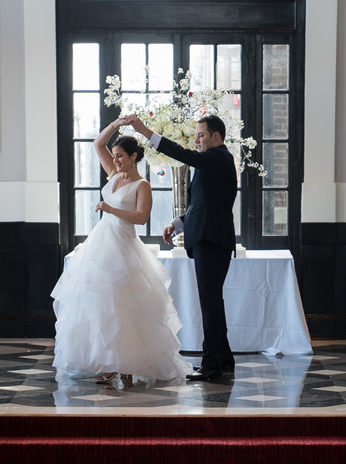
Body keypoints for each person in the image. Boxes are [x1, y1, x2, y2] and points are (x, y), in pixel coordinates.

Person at [51, 117, 191, 389]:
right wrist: (118, 123)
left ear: (134, 157)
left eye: (120, 156)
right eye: (113, 156)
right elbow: (98, 143)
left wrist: (110, 209)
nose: (114, 160)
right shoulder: (113, 174)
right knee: (101, 305)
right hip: (100, 245)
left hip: (124, 248)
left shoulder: (143, 185)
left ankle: (129, 364)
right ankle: (109, 363)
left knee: (126, 307)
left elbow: (141, 218)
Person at [129, 113, 237, 382]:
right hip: (209, 238)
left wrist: (145, 131)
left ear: (216, 136)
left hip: (212, 241)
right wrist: (178, 223)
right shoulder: (211, 163)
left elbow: (185, 156)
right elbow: (203, 204)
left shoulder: (219, 157)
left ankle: (212, 364)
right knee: (212, 302)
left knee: (210, 303)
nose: (197, 139)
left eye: (201, 135)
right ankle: (223, 358)